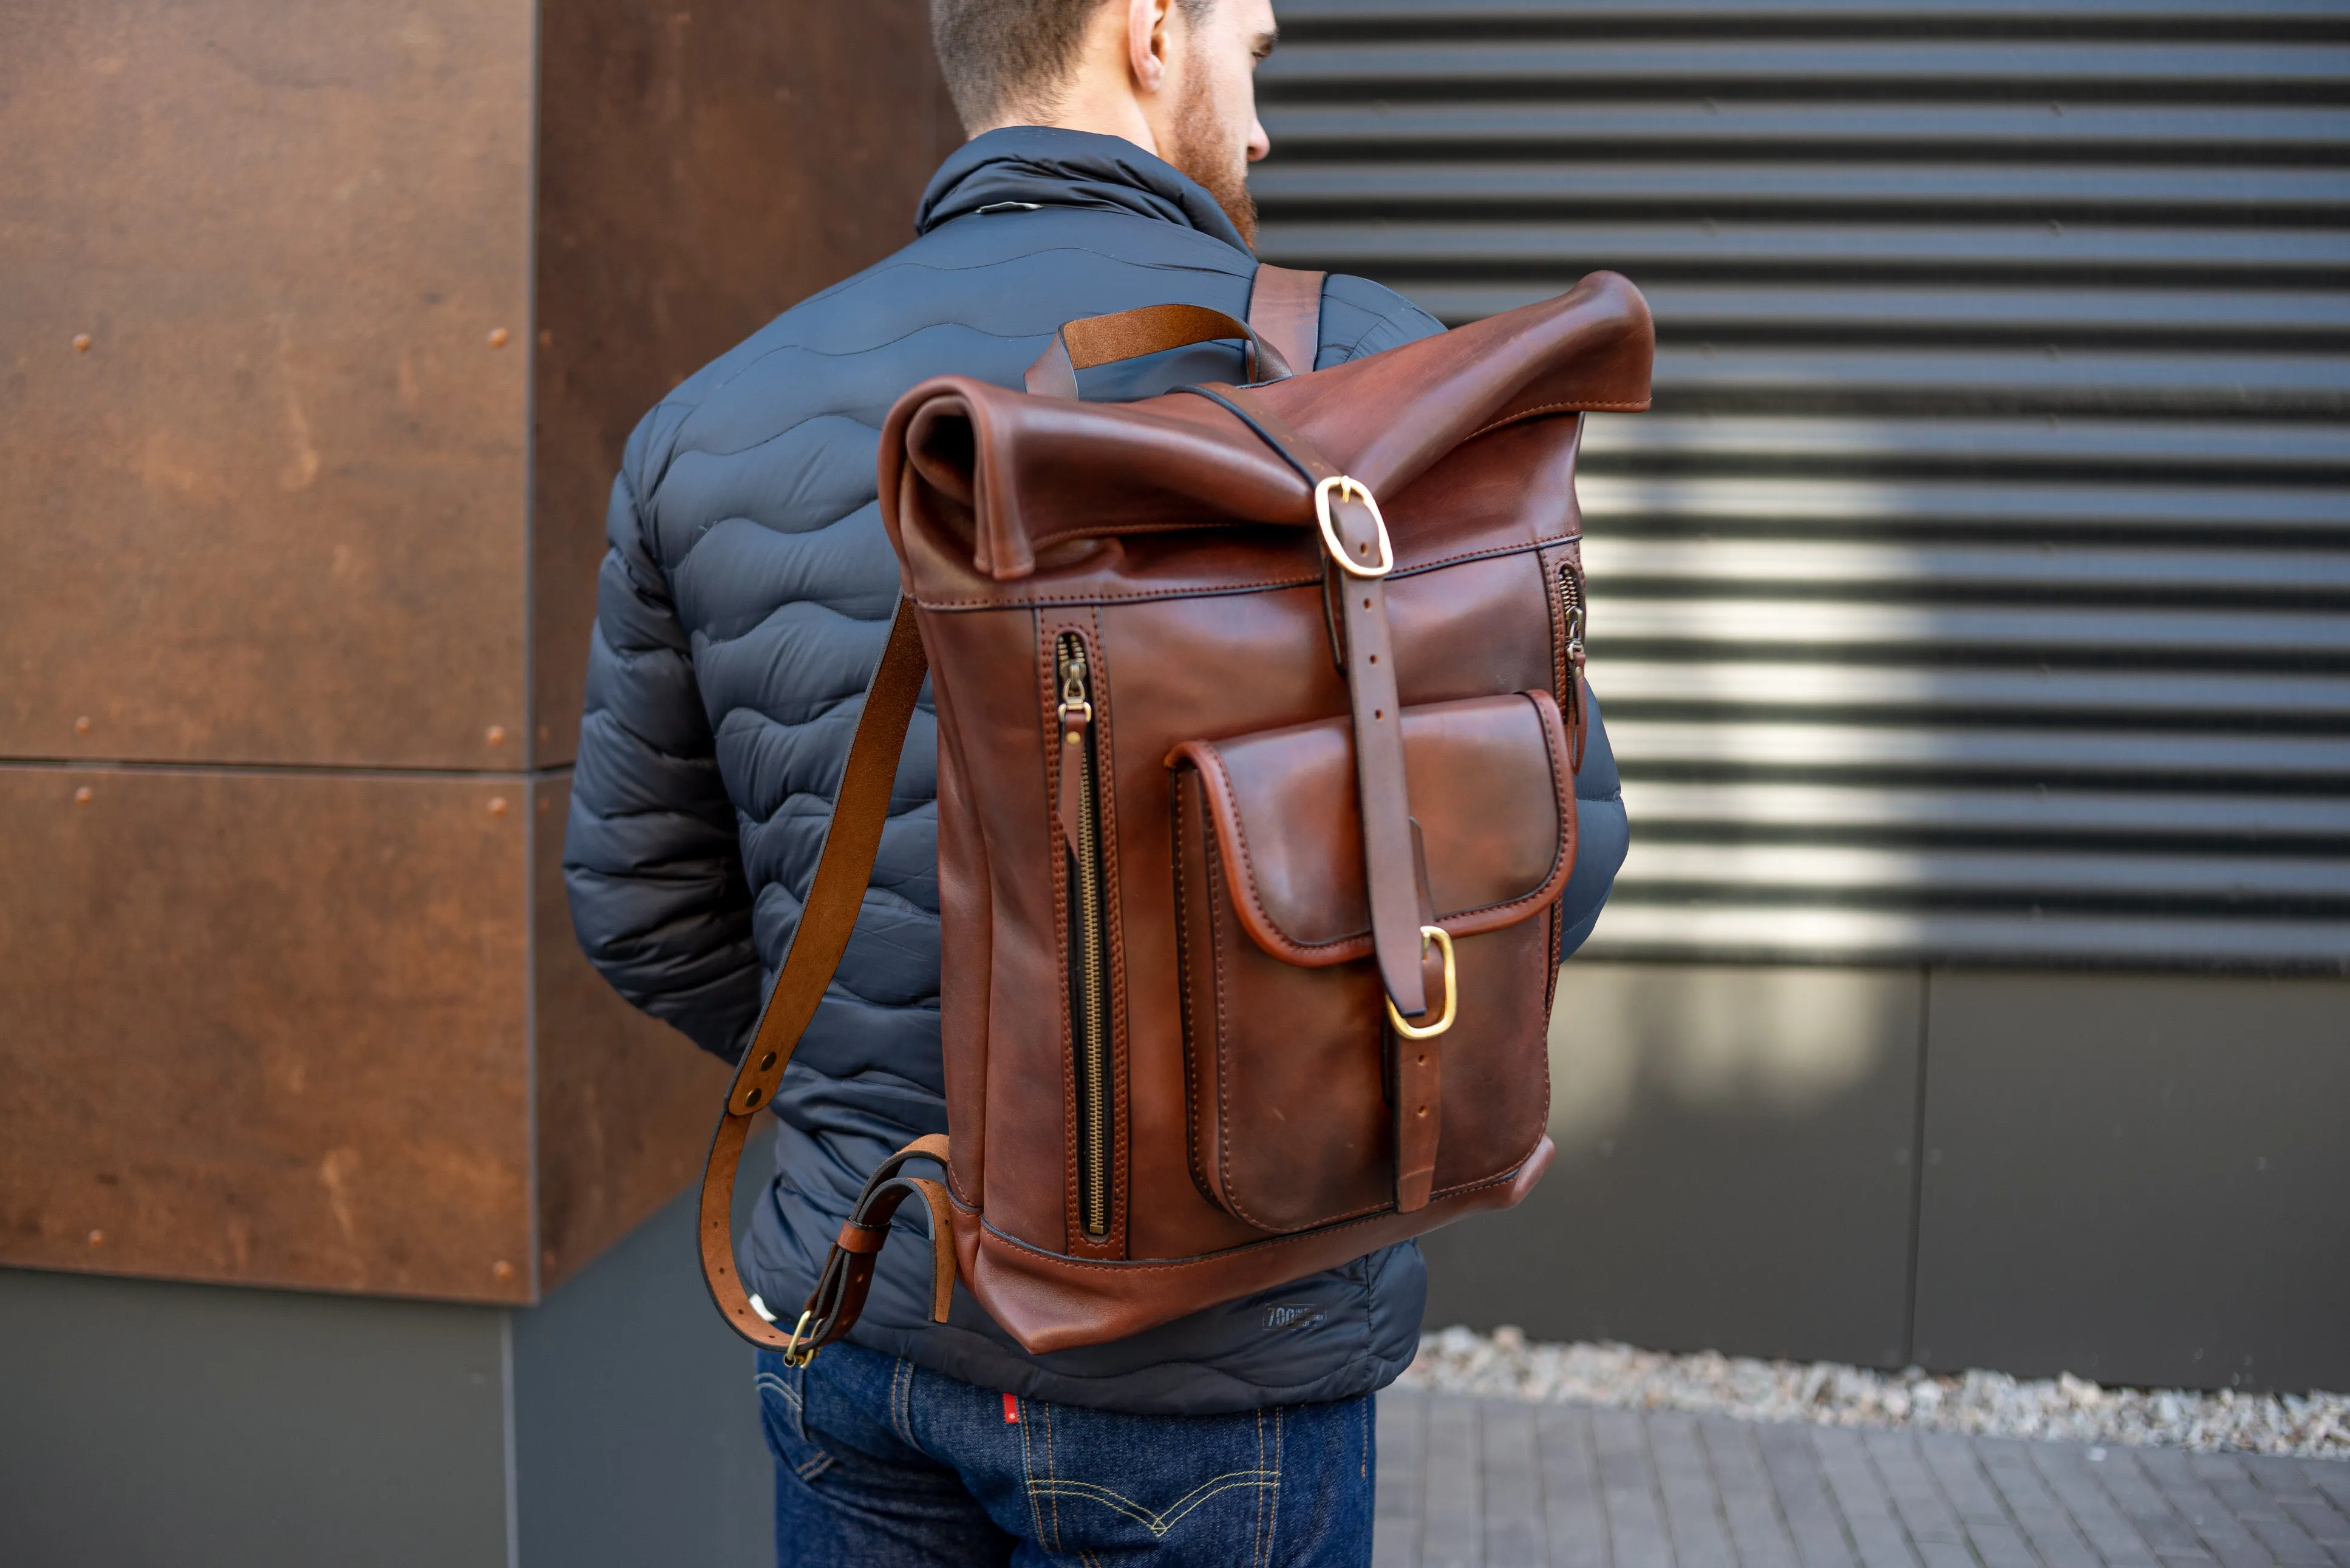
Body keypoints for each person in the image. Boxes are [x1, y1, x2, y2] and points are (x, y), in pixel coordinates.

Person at [563, 0, 1629, 1561]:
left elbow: (644, 909)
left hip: (866, 1320)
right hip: (1229, 1358)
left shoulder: (702, 424)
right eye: (1251, 52)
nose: (1259, 124)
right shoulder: (1389, 387)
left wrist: (900, 1081)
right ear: (1147, 30)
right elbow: (1560, 856)